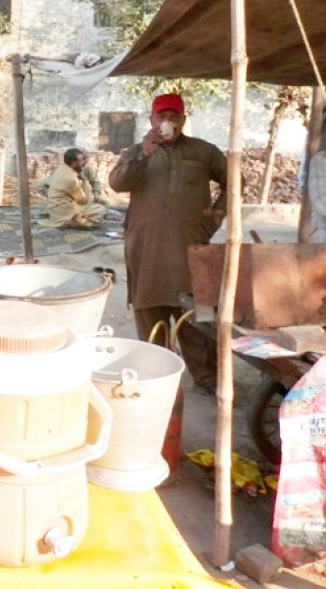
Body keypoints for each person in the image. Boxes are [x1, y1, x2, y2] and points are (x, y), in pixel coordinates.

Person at [108, 92, 227, 392]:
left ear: (183, 120)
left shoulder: (204, 152)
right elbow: (117, 183)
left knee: (197, 315)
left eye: (174, 116)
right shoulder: (135, 152)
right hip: (147, 247)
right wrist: (144, 154)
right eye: (161, 116)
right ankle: (155, 375)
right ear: (151, 119)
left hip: (191, 246)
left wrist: (214, 217)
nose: (167, 121)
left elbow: (234, 180)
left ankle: (207, 378)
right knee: (149, 309)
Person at [39, 148, 107, 229]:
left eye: (85, 158)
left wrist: (96, 196)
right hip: (65, 210)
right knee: (101, 210)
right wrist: (85, 181)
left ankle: (77, 219)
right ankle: (74, 222)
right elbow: (84, 201)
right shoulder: (72, 178)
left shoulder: (61, 169)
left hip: (57, 209)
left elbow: (95, 181)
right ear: (74, 162)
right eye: (82, 159)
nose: (84, 161)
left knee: (95, 209)